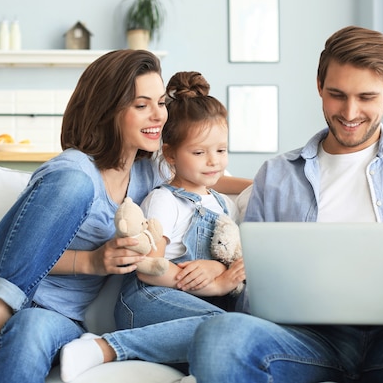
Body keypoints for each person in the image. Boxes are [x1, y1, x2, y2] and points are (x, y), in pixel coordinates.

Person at [188, 26, 383, 382]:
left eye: (366, 97)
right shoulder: (276, 176)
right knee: (219, 338)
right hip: (306, 339)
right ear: (319, 87)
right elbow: (251, 289)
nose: (350, 112)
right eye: (337, 95)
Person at [0, 51, 248, 383]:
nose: (158, 116)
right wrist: (92, 263)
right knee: (72, 184)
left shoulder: (150, 171)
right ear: (109, 110)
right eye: (141, 105)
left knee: (31, 329)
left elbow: (205, 171)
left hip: (55, 316)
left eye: (160, 103)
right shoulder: (74, 170)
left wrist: (260, 181)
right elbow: (17, 250)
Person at [59, 71, 247, 382]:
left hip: (189, 308)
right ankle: (105, 347)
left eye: (221, 151)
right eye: (199, 153)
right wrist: (217, 284)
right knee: (223, 327)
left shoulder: (223, 204)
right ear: (170, 154)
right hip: (147, 300)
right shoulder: (164, 199)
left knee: (239, 331)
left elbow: (229, 258)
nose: (213, 161)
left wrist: (219, 269)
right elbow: (148, 268)